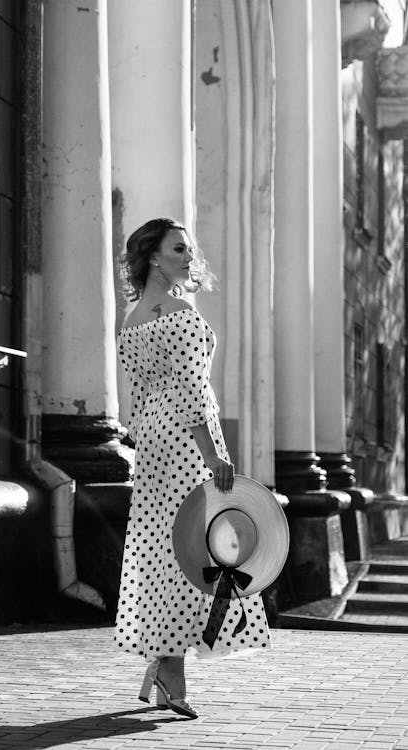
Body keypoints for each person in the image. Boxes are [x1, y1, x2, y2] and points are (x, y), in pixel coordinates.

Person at [115, 217, 271, 719]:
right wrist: (212, 453)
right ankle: (170, 669)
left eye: (189, 250)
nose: (188, 257)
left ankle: (163, 662)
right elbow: (191, 391)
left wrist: (147, 442)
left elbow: (138, 398)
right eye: (178, 249)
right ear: (154, 257)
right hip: (186, 441)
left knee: (165, 551)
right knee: (196, 551)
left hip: (154, 446)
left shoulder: (132, 318)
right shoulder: (180, 312)